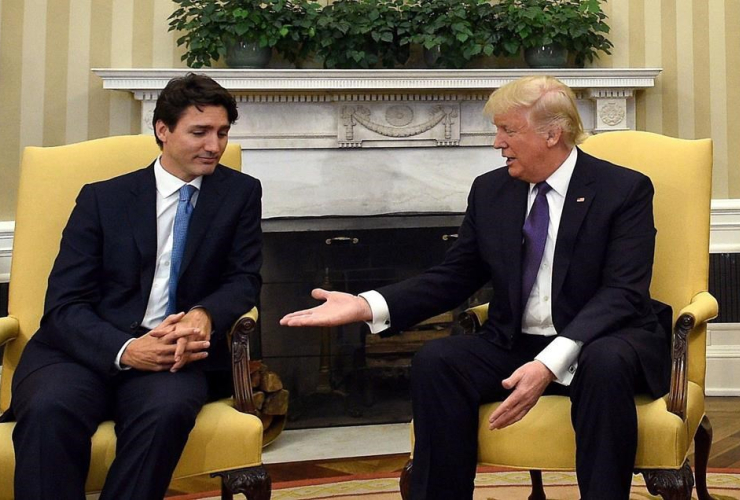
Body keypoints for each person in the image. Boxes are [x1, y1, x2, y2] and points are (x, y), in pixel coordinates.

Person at [280, 75, 671, 500]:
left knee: (605, 363)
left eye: (508, 130)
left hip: (602, 338)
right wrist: (365, 305)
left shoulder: (623, 189)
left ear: (552, 133)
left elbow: (623, 292)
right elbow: (456, 275)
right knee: (438, 360)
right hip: (516, 341)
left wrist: (549, 363)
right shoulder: (491, 191)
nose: (497, 142)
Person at [5, 73, 262, 499]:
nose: (214, 146)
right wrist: (126, 350)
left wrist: (205, 313)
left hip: (173, 356)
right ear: (162, 130)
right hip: (80, 352)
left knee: (166, 411)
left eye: (222, 133)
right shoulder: (103, 199)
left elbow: (244, 279)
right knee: (50, 410)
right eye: (199, 132)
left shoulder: (239, 194)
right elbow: (65, 304)